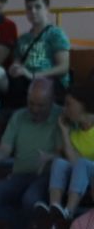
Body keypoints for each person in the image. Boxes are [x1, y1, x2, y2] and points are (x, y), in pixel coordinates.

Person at [0, 0, 72, 117]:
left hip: (47, 81)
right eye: (29, 8)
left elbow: (63, 68)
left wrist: (33, 75)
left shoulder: (56, 34)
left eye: (38, 7)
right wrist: (14, 68)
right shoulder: (23, 39)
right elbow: (17, 62)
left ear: (47, 9)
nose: (33, 11)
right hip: (23, 81)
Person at [0, 79, 59, 222]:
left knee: (30, 200)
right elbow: (5, 149)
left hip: (48, 177)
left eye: (41, 105)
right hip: (19, 177)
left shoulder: (62, 116)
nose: (35, 109)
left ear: (52, 100)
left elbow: (69, 153)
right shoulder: (19, 116)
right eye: (31, 103)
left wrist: (51, 157)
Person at [41, 87, 94, 219]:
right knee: (59, 162)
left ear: (82, 105)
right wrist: (64, 132)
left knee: (82, 163)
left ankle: (69, 212)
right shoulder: (74, 133)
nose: (64, 109)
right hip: (81, 174)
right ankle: (55, 209)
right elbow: (71, 160)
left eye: (69, 104)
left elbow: (77, 162)